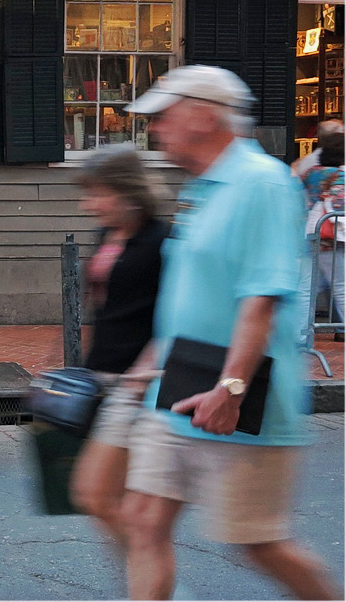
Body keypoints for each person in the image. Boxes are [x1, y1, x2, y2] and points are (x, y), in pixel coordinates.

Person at [118, 65, 340, 601]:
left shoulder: (262, 183)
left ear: (203, 115)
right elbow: (192, 290)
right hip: (175, 387)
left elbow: (260, 298)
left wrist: (232, 388)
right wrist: (147, 363)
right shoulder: (199, 188)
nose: (155, 128)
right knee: (143, 521)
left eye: (163, 115)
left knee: (258, 542)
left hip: (243, 397)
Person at [68, 146, 169, 553]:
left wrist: (150, 366)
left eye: (96, 193)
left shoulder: (162, 240)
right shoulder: (108, 234)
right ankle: (147, 584)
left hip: (137, 384)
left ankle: (154, 585)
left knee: (96, 495)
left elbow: (175, 315)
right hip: (104, 378)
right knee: (113, 503)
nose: (87, 204)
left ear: (126, 192)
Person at [302, 131, 344, 326]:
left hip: (312, 232)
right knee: (341, 287)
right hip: (331, 237)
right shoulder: (340, 176)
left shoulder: (312, 173)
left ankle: (300, 331)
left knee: (308, 287)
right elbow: (339, 208)